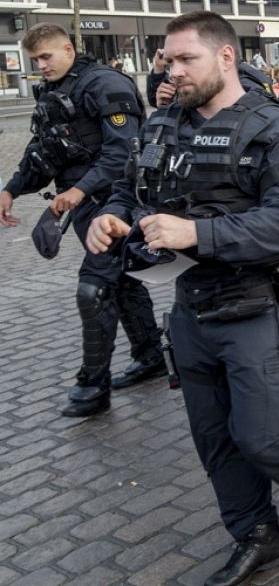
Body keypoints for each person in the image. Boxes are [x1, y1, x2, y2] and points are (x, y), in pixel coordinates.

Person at [84, 10, 279, 586]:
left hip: (256, 309)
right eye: (167, 60)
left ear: (225, 57)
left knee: (263, 435)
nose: (173, 71)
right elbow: (131, 192)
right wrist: (110, 217)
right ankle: (257, 537)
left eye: (187, 59)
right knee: (215, 440)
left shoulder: (276, 129)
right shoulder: (162, 125)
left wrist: (196, 234)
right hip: (189, 312)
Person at [0, 23, 164, 417]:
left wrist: (80, 190)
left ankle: (92, 387)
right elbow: (43, 152)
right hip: (83, 206)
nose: (40, 66)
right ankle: (150, 357)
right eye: (34, 60)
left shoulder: (106, 85)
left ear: (69, 49)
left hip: (115, 205)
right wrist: (11, 189)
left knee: (94, 290)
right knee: (122, 282)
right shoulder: (55, 91)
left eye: (46, 57)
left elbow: (125, 152)